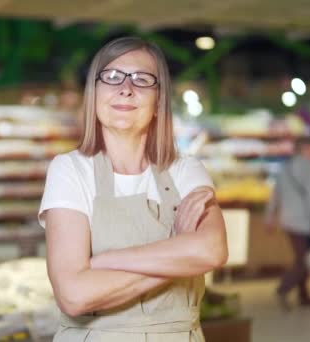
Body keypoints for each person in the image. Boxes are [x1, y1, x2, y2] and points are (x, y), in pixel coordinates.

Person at [38, 37, 228, 341]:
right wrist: (178, 251)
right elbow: (74, 295)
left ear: (158, 101)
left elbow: (212, 250)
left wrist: (103, 262)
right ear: (94, 93)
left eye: (142, 79)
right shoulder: (70, 170)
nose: (126, 88)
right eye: (112, 77)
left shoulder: (185, 170)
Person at [265, 137, 310, 311]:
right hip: (305, 222)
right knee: (304, 260)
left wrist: (269, 217)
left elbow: (275, 195)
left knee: (303, 257)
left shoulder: (285, 168)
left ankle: (304, 296)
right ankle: (283, 288)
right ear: (304, 149)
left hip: (288, 221)